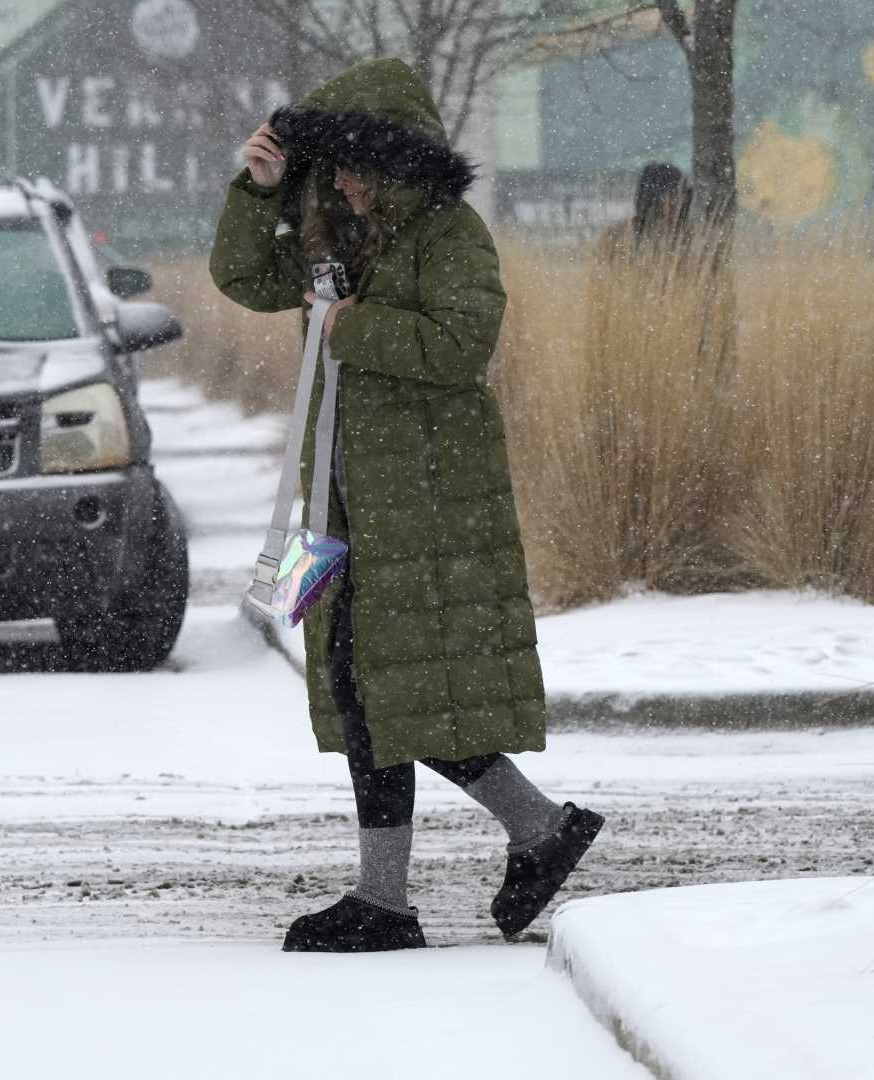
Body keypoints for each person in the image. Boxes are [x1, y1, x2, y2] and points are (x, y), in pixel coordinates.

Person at [209, 58, 604, 954]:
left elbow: (462, 344)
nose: (343, 183)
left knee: (393, 691)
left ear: (399, 163)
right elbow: (244, 278)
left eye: (358, 167)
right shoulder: (329, 229)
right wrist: (257, 187)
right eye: (333, 166)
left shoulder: (448, 234)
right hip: (346, 503)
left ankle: (469, 863)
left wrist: (355, 327)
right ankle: (479, 857)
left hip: (428, 499)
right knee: (360, 689)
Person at [600, 161, 694, 255]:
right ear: (652, 202)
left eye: (681, 198)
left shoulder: (691, 237)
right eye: (670, 198)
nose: (677, 205)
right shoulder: (618, 237)